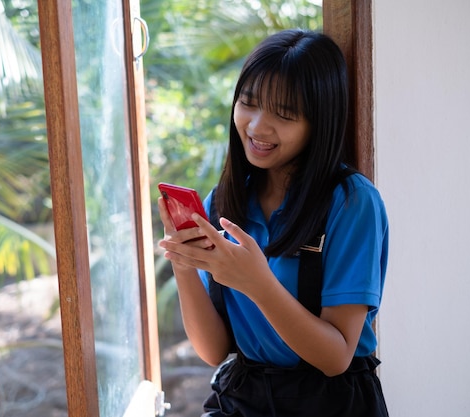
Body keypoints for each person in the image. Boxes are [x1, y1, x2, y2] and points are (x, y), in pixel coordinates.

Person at [158, 29, 389, 416]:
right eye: (248, 103)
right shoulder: (225, 202)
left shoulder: (351, 203)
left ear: (319, 121)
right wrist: (184, 263)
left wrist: (258, 284)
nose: (257, 127)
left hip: (330, 402)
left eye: (284, 114)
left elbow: (336, 358)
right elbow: (213, 350)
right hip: (246, 396)